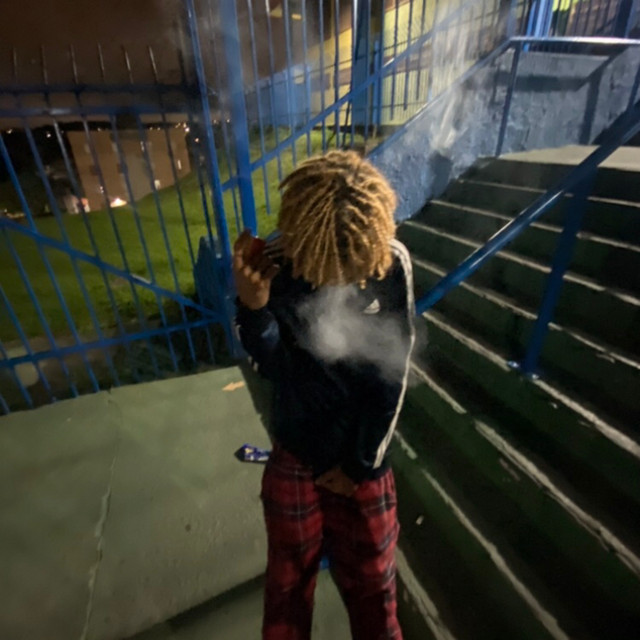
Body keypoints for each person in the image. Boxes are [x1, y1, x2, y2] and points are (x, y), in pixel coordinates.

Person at [233, 149, 415, 640]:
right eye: (323, 263)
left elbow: (392, 374)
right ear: (299, 241)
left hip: (361, 460)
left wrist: (361, 463)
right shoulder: (279, 259)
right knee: (287, 590)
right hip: (297, 451)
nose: (337, 278)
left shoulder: (388, 260)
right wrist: (254, 310)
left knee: (375, 591)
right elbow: (274, 367)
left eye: (349, 263)